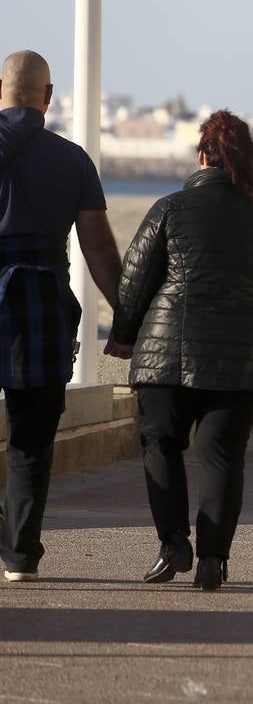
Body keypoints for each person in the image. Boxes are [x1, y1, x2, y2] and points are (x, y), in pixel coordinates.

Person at [110, 111, 253, 590]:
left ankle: (174, 542)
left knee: (161, 442)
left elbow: (134, 280)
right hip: (243, 363)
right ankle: (213, 560)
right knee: (222, 455)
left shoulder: (169, 209)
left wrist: (124, 332)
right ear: (248, 163)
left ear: (202, 157)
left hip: (165, 355)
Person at [0, 50, 124, 583]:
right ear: (48, 97)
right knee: (31, 437)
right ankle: (21, 554)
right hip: (42, 304)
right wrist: (128, 312)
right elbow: (97, 246)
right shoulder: (72, 159)